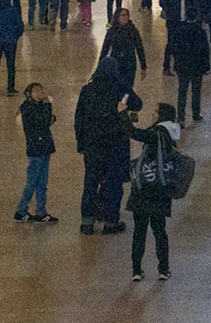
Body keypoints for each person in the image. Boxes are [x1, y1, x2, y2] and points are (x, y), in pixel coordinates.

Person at [75, 64, 141, 235]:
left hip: (93, 144)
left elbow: (79, 118)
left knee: (91, 182)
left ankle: (87, 222)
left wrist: (80, 143)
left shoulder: (87, 90)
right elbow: (138, 104)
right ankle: (111, 222)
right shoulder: (120, 88)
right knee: (113, 184)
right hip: (115, 145)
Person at [127, 104, 183, 280]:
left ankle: (137, 270)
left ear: (161, 116)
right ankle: (163, 269)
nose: (152, 114)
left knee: (140, 231)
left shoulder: (155, 134)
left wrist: (122, 114)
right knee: (159, 230)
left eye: (155, 112)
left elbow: (133, 133)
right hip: (160, 189)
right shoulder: (169, 136)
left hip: (144, 189)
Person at [16, 82, 57, 223]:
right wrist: (48, 106)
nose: (40, 93)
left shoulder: (37, 106)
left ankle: (41, 211)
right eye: (36, 91)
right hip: (36, 150)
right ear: (29, 94)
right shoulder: (28, 108)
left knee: (42, 183)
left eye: (41, 90)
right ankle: (21, 210)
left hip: (44, 148)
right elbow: (43, 123)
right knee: (32, 182)